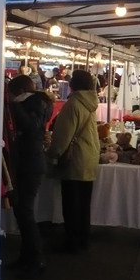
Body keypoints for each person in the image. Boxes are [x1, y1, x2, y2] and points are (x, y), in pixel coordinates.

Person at [4, 73, 54, 275]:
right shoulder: (38, 102)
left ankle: (35, 258)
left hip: (29, 163)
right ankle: (27, 256)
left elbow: (32, 129)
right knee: (22, 211)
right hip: (28, 161)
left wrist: (15, 105)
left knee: (25, 212)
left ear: (20, 92)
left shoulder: (34, 104)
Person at [47, 69, 100, 253]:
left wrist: (52, 154)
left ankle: (72, 243)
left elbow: (63, 135)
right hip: (89, 155)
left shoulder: (73, 104)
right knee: (84, 205)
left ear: (73, 84)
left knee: (71, 204)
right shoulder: (91, 103)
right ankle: (83, 240)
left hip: (76, 158)